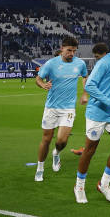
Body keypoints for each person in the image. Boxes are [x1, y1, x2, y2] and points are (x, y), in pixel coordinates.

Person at [74, 31, 110, 204]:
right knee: (89, 151)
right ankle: (79, 186)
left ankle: (104, 184)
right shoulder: (105, 62)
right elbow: (90, 86)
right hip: (98, 112)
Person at [34, 37, 88, 182]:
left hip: (68, 108)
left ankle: (56, 153)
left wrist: (84, 93)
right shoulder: (51, 63)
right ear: (62, 48)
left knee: (62, 141)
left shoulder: (80, 63)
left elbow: (85, 76)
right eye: (69, 50)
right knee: (46, 139)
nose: (72, 54)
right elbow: (38, 78)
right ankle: (40, 168)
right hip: (51, 107)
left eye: (74, 51)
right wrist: (43, 85)